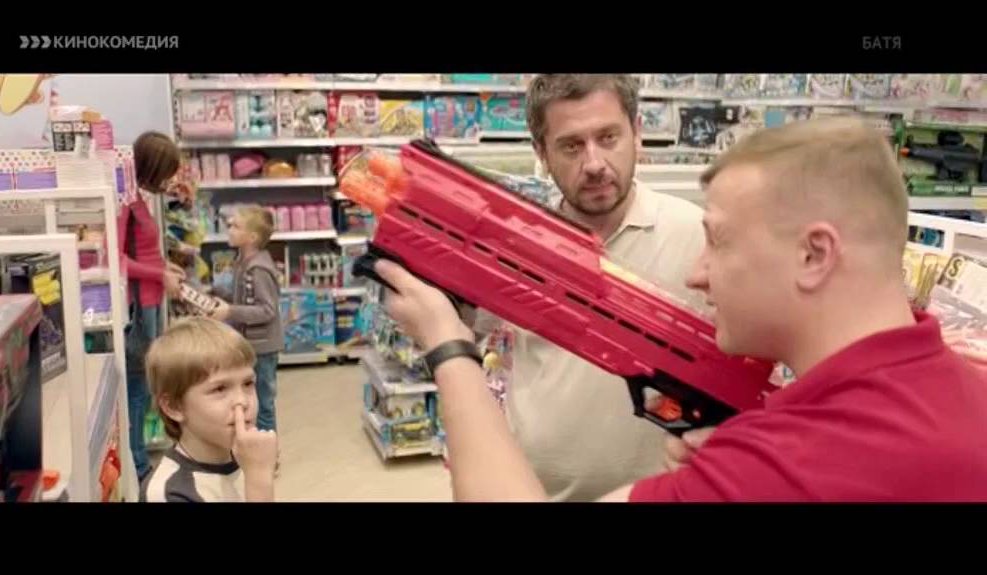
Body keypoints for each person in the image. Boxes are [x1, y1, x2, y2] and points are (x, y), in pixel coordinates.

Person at [375, 117, 987, 501]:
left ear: (814, 254)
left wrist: (446, 345)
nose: (697, 273)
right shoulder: (964, 391)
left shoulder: (780, 465)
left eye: (717, 239)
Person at [470, 74, 707, 501]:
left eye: (608, 137)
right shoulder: (517, 242)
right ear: (541, 153)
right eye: (571, 146)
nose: (595, 163)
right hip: (536, 491)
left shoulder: (699, 235)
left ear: (636, 132)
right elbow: (461, 327)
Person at [140, 317, 278, 502]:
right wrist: (259, 480)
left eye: (248, 383)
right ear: (174, 406)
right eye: (220, 389)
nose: (242, 401)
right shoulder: (166, 493)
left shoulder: (245, 460)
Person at [121, 130, 187, 484]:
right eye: (165, 172)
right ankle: (137, 465)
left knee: (144, 386)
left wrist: (165, 267)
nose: (168, 181)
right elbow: (116, 259)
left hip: (151, 302)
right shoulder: (124, 205)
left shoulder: (138, 198)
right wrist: (158, 274)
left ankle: (138, 459)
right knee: (136, 388)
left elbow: (144, 253)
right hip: (137, 307)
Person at [209, 205, 283, 433]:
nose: (229, 229)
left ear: (251, 238)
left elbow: (267, 310)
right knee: (251, 399)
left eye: (236, 226)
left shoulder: (258, 269)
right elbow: (243, 296)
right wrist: (216, 295)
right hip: (249, 343)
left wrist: (230, 311)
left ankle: (268, 447)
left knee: (263, 402)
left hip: (263, 347)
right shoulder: (242, 261)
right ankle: (254, 441)